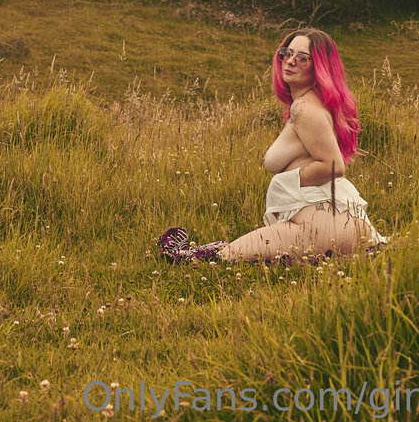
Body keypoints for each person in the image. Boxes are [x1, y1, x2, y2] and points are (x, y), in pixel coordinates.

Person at [158, 28, 388, 264]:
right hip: (341, 224)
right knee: (237, 255)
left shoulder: (304, 109)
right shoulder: (315, 102)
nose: (290, 61)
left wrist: (284, 182)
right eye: (287, 53)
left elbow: (333, 166)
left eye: (303, 58)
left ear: (319, 67)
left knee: (219, 259)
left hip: (319, 228)